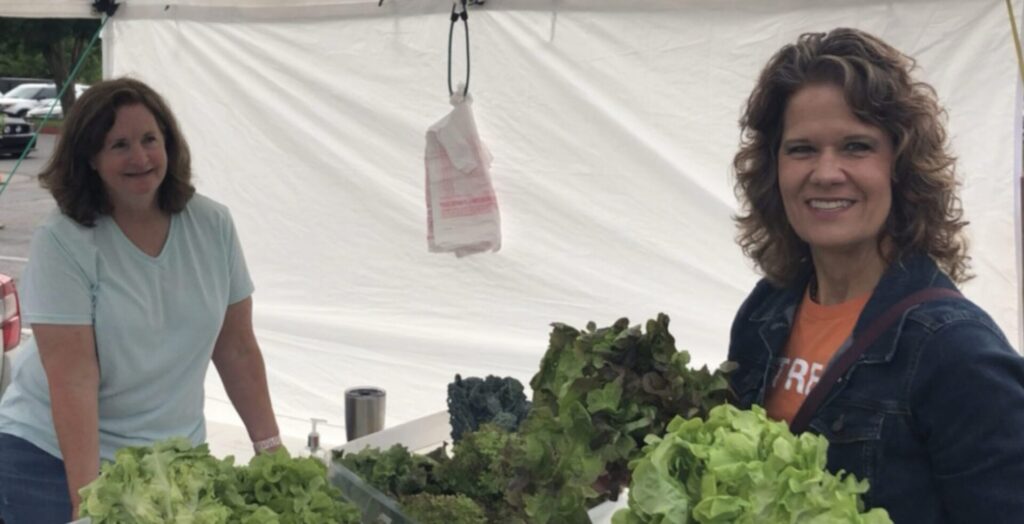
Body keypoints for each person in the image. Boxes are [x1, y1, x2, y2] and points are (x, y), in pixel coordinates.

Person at [728, 28, 1024, 522]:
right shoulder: (765, 313)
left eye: (856, 146)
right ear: (773, 168)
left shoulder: (957, 353)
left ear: (901, 166)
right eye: (801, 149)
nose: (825, 172)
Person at [0, 77, 281, 523]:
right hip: (51, 461)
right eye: (119, 145)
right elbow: (73, 379)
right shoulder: (63, 241)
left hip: (172, 460)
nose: (141, 157)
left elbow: (237, 349)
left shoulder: (212, 225)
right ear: (90, 158)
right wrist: (87, 503)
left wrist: (271, 452)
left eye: (150, 139)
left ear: (169, 143)